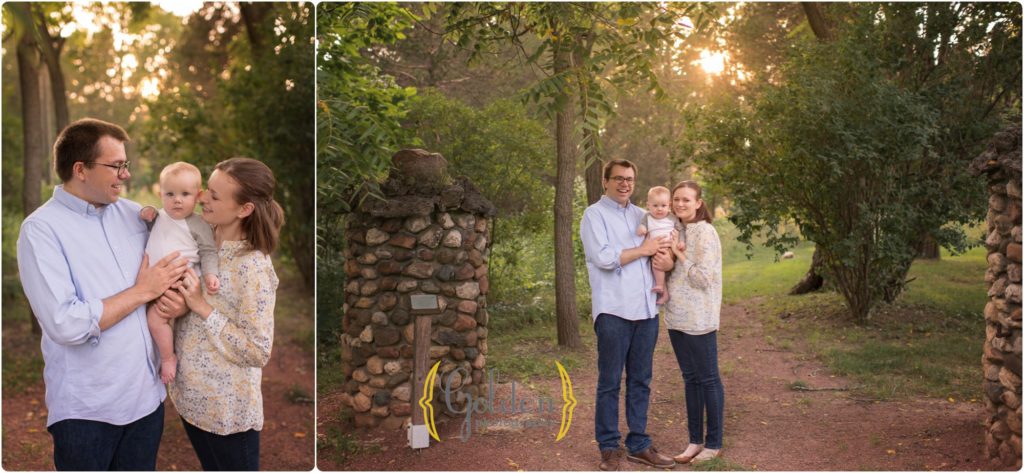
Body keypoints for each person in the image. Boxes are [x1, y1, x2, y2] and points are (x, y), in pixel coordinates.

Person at [17, 118, 188, 470]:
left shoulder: (135, 215)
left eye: (125, 165)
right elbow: (65, 324)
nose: (125, 175)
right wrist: (142, 292)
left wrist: (178, 299)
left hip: (146, 400)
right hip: (88, 410)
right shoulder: (41, 231)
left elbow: (173, 268)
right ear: (80, 169)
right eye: (116, 166)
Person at [168, 157, 283, 471]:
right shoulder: (202, 239)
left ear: (244, 209)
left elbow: (258, 351)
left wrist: (201, 307)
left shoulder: (252, 266)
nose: (202, 197)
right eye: (207, 188)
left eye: (215, 196)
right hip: (191, 399)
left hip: (226, 413)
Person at [580, 159, 677, 471]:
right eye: (618, 178)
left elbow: (664, 250)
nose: (625, 184)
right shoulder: (593, 215)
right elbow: (605, 258)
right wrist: (644, 250)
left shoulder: (642, 215)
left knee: (641, 380)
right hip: (613, 310)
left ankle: (638, 444)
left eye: (630, 179)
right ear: (605, 181)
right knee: (610, 381)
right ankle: (609, 446)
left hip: (646, 311)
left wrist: (667, 261)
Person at [139, 161, 220, 384]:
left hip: (177, 281)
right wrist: (146, 213)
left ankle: (167, 358)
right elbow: (150, 227)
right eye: (170, 193)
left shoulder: (198, 223)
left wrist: (211, 274)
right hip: (152, 279)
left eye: (185, 194)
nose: (177, 199)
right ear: (160, 193)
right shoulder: (158, 216)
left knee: (155, 320)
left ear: (198, 195)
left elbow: (208, 251)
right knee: (148, 320)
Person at [663, 180, 725, 464]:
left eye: (686, 200)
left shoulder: (705, 232)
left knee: (708, 379)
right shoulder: (676, 230)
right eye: (676, 199)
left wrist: (680, 255)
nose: (680, 204)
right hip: (675, 318)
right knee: (690, 380)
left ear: (699, 202)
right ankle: (694, 441)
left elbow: (704, 278)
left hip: (699, 319)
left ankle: (713, 444)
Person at [636, 186, 684, 305]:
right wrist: (642, 229)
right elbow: (643, 225)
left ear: (669, 205)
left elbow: (680, 229)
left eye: (663, 205)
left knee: (657, 265)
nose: (659, 209)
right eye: (655, 206)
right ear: (648, 205)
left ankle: (659, 285)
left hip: (669, 248)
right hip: (655, 249)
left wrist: (681, 241)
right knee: (656, 265)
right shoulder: (647, 217)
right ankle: (664, 291)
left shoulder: (672, 218)